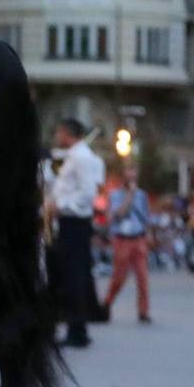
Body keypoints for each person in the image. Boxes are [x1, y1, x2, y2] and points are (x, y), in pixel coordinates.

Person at [45, 119, 105, 348]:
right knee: (67, 275)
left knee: (74, 275)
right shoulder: (73, 156)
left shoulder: (82, 158)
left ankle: (77, 330)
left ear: (66, 132)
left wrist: (61, 205)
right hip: (68, 222)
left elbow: (87, 193)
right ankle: (73, 326)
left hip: (75, 222)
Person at [102, 166, 152, 324]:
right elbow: (117, 215)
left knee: (142, 277)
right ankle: (107, 303)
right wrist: (130, 196)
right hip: (122, 239)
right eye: (129, 176)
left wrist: (148, 234)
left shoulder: (142, 195)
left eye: (134, 177)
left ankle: (143, 311)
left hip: (138, 238)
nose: (132, 180)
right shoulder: (115, 195)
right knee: (119, 277)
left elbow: (146, 217)